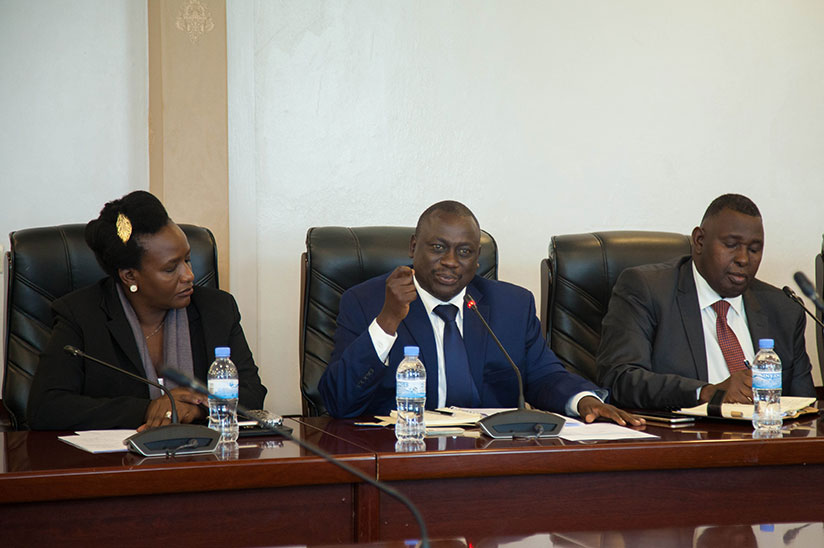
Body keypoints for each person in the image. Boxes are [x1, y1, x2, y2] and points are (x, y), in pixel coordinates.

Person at [319, 200, 642, 426]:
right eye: (437, 247)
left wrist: (584, 401)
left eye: (464, 252)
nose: (450, 261)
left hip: (488, 454)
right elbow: (339, 402)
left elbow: (544, 376)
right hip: (402, 452)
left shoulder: (512, 306)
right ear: (413, 246)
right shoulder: (365, 301)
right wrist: (388, 320)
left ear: (477, 260)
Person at [27, 191, 267, 430]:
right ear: (130, 275)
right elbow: (46, 408)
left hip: (201, 458)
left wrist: (199, 409)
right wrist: (147, 409)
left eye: (188, 259)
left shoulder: (217, 310)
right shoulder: (80, 316)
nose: (189, 275)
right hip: (116, 464)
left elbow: (252, 392)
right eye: (171, 268)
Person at [597, 193, 815, 409]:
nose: (743, 259)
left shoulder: (783, 309)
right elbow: (620, 379)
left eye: (754, 249)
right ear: (699, 241)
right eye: (731, 245)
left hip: (766, 439)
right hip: (687, 439)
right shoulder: (647, 290)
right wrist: (707, 392)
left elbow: (805, 408)